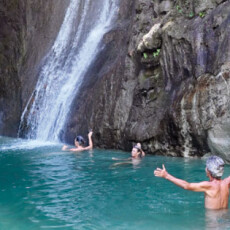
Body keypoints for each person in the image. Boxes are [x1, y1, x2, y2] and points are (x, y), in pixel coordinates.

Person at [154, 155, 230, 210]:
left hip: (213, 224)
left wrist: (166, 175)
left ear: (209, 170)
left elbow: (186, 185)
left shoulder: (208, 186)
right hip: (224, 221)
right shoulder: (226, 183)